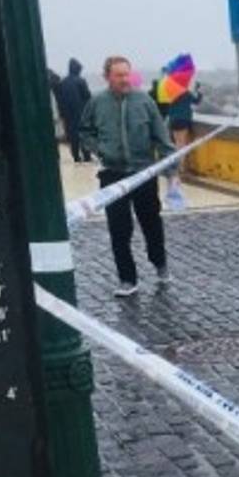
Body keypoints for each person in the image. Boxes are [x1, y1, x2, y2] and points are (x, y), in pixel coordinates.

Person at [78, 55, 176, 297]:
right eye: (119, 75)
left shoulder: (145, 101)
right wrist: (100, 149)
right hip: (112, 175)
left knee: (151, 224)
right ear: (107, 77)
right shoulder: (97, 102)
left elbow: (162, 137)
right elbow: (84, 131)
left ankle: (160, 263)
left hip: (143, 174)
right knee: (119, 230)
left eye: (126, 74)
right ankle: (127, 279)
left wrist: (171, 171)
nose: (124, 79)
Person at [55, 58, 93, 163]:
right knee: (84, 134)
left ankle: (76, 157)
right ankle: (87, 156)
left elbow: (60, 99)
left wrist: (61, 113)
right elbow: (87, 96)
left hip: (68, 114)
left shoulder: (62, 82)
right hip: (81, 112)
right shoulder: (81, 81)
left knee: (72, 135)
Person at [167, 81, 204, 173]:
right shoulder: (186, 93)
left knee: (177, 143)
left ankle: (176, 164)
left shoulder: (171, 95)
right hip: (183, 120)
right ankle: (180, 166)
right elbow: (197, 101)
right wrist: (199, 91)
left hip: (173, 121)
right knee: (182, 144)